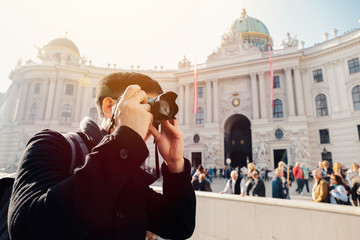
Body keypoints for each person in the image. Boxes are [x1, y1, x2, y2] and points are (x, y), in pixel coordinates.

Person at [8, 72, 196, 239]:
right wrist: (124, 141)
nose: (148, 123)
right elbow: (27, 230)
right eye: (142, 109)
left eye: (154, 117)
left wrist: (175, 164)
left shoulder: (129, 173)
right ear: (109, 107)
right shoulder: (51, 144)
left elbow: (178, 226)